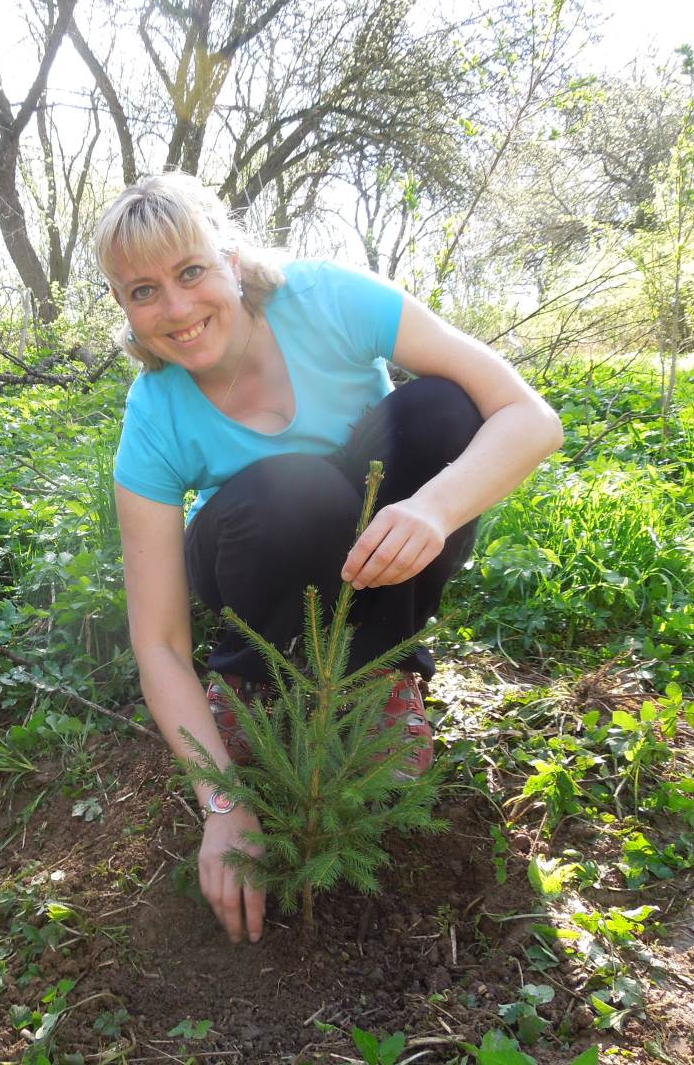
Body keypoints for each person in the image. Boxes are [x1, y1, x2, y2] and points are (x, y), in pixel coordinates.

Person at [94, 172, 563, 943]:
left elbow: (530, 418)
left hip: (387, 536)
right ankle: (252, 679)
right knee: (295, 489)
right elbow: (160, 642)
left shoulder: (327, 300)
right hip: (254, 549)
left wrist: (434, 507)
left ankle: (380, 673)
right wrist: (221, 803)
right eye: (144, 292)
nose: (176, 309)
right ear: (123, 307)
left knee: (443, 409)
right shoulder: (155, 412)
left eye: (191, 271)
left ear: (232, 259)